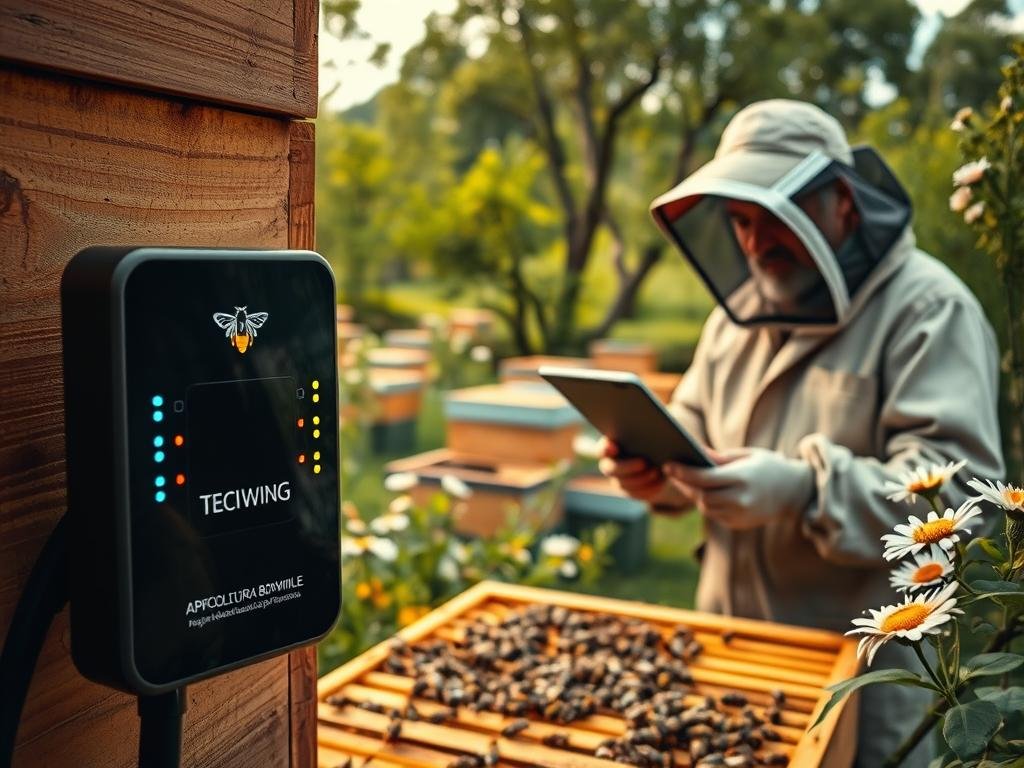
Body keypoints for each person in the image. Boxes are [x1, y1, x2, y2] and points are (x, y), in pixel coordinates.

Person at [599, 99, 1004, 767]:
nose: (756, 244)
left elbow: (962, 498)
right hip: (729, 657)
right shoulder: (739, 314)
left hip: (862, 682)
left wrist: (805, 490)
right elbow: (697, 424)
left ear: (842, 203)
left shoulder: (929, 309)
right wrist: (658, 472)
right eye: (740, 222)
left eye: (776, 218)